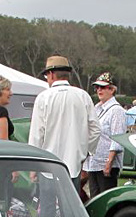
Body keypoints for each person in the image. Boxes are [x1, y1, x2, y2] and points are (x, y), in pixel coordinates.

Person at [29, 55, 100, 200]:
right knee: (70, 207)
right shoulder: (83, 96)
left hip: (47, 164)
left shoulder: (43, 98)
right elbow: (95, 130)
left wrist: (33, 165)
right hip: (73, 163)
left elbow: (37, 134)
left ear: (51, 74)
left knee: (47, 209)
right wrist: (85, 152)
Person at [83, 71, 127, 198]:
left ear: (112, 90)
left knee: (106, 199)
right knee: (94, 198)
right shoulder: (97, 109)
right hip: (94, 162)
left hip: (106, 164)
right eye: (97, 87)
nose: (99, 90)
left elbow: (117, 139)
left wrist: (109, 163)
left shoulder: (116, 110)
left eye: (103, 87)